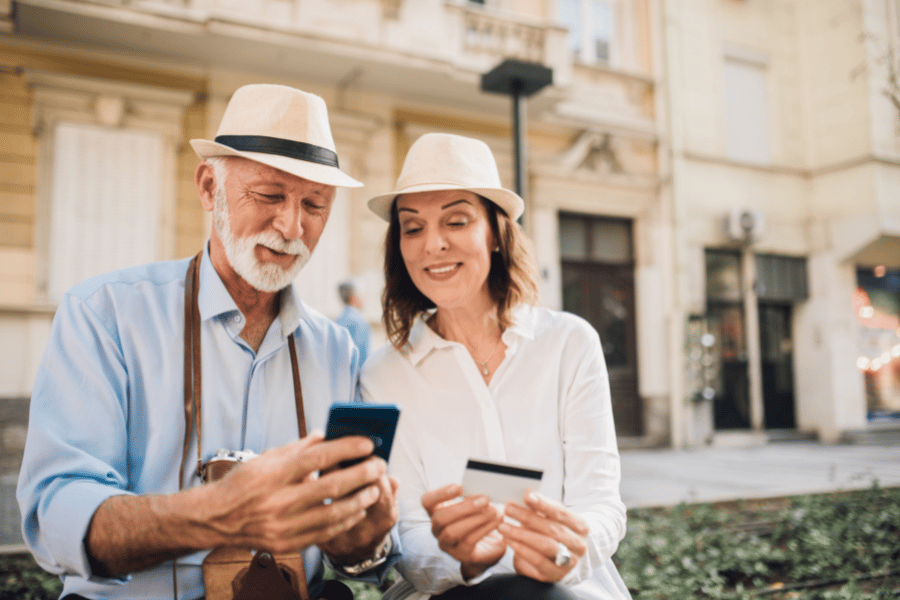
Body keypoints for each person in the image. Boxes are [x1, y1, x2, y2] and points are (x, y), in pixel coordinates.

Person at [16, 84, 400, 600]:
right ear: (207, 187)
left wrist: (361, 542)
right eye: (269, 195)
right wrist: (217, 515)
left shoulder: (337, 349)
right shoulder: (105, 314)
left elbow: (357, 562)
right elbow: (56, 517)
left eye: (315, 204)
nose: (292, 226)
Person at [360, 133, 632, 600]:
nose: (433, 245)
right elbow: (406, 536)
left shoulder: (569, 344)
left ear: (496, 234)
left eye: (457, 221)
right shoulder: (383, 375)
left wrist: (565, 552)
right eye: (413, 227)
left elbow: (603, 506)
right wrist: (459, 560)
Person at [335, 280, 371, 364]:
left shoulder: (337, 320)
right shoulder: (359, 323)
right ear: (354, 296)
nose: (365, 297)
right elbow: (363, 358)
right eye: (362, 294)